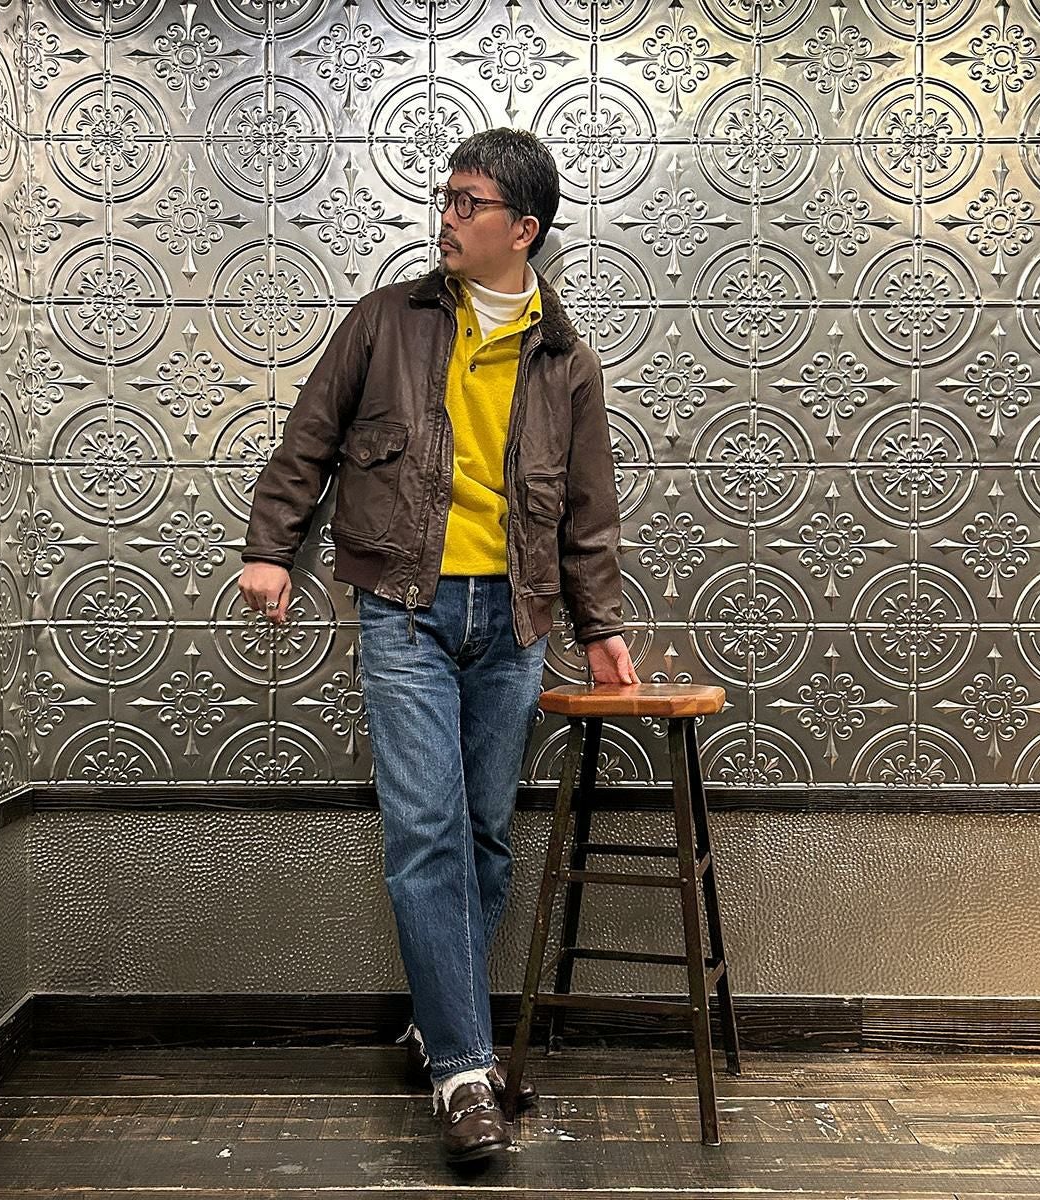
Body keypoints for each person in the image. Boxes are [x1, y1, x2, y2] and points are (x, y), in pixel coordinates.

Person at [238, 127, 638, 1165]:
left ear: (524, 228)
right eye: (446, 199)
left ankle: (436, 1019)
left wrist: (602, 630)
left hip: (513, 619)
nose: (447, 218)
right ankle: (463, 1071)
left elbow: (587, 513)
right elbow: (309, 438)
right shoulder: (387, 320)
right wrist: (272, 549)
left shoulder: (567, 360)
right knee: (426, 829)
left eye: (469, 203)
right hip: (404, 606)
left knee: (485, 834)